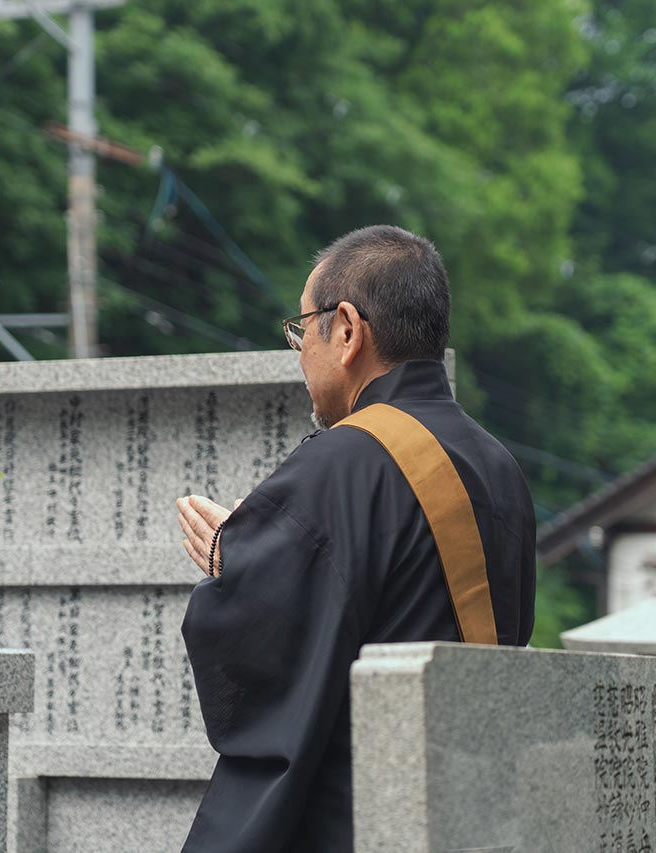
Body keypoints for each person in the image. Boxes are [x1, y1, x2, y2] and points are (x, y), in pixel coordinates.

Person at [175, 225, 536, 852]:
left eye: (300, 330)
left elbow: (266, 653)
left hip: (365, 814)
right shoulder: (498, 464)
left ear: (345, 329)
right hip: (476, 811)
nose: (299, 353)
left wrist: (230, 564)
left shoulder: (344, 460)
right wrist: (269, 548)